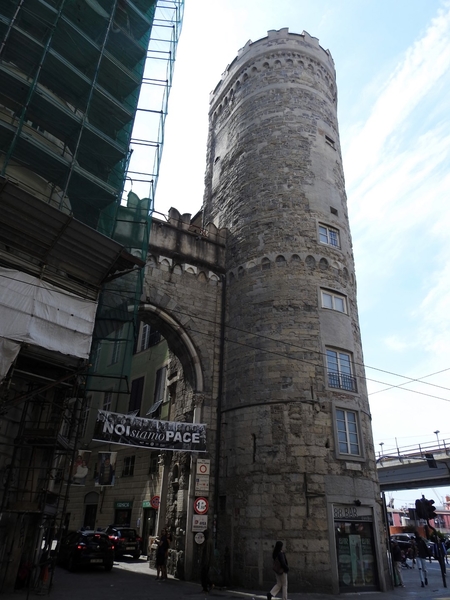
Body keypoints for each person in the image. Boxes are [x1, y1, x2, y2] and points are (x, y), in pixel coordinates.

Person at [200, 529, 213, 593]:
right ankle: (209, 585)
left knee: (203, 575)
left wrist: (206, 563)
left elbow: (207, 553)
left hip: (205, 562)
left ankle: (206, 588)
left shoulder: (207, 542)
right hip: (206, 562)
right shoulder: (209, 541)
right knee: (205, 575)